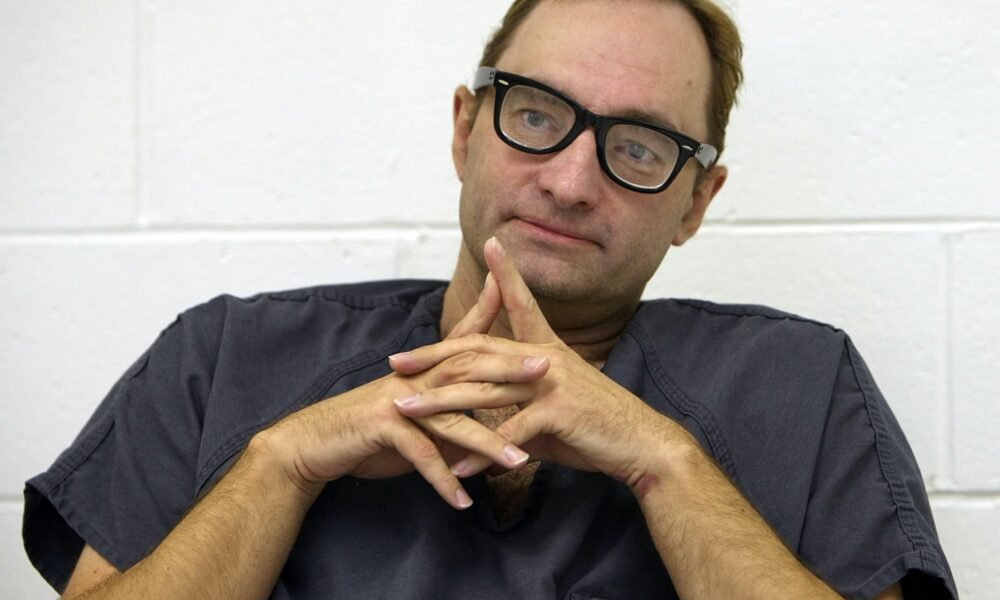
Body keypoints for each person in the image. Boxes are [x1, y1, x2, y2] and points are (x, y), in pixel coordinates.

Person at [23, 1, 957, 598]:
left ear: (695, 204)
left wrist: (665, 462)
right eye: (537, 114)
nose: (570, 182)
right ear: (466, 129)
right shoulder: (224, 357)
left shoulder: (803, 388)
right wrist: (280, 465)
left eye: (639, 147)